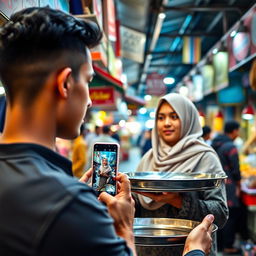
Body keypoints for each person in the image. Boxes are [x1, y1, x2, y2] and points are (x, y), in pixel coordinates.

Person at [0, 7, 214, 256]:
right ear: (66, 83)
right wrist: (125, 229)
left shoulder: (61, 198)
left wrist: (72, 197)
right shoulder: (68, 204)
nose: (90, 101)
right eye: (88, 81)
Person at [133, 93, 228, 256]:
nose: (166, 123)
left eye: (174, 117)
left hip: (192, 251)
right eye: (161, 118)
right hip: (148, 250)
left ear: (188, 119)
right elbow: (138, 209)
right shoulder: (149, 157)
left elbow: (220, 213)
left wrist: (177, 200)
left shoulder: (205, 157)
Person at [211, 121, 244, 254]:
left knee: (217, 213)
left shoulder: (214, 143)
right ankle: (228, 245)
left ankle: (218, 244)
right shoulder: (230, 146)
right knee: (230, 215)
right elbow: (236, 169)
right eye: (238, 131)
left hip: (215, 184)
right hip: (229, 185)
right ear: (234, 131)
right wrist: (239, 184)